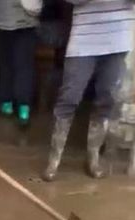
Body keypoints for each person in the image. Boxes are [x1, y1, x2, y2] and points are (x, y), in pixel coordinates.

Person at [42, 0, 135, 181]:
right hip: (83, 40)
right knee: (69, 97)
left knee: (107, 98)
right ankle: (53, 161)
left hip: (117, 40)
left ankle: (93, 159)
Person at [0, 0, 39, 125]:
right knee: (24, 66)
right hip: (26, 21)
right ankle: (23, 108)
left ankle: (7, 103)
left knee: (5, 65)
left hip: (0, 21)